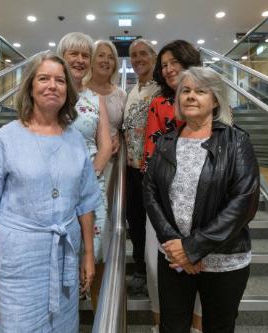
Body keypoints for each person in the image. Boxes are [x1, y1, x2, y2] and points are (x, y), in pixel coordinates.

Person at [0, 53, 102, 332]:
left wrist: (88, 256)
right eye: (44, 78)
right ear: (30, 87)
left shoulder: (76, 141)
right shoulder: (4, 140)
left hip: (64, 265)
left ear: (68, 89)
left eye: (59, 80)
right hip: (17, 269)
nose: (52, 85)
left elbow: (86, 202)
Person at [143, 67, 260, 333]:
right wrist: (177, 248)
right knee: (172, 327)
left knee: (219, 327)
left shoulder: (237, 141)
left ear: (215, 100)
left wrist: (193, 248)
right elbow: (150, 193)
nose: (191, 96)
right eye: (185, 91)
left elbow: (244, 203)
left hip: (223, 261)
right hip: (172, 257)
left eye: (200, 91)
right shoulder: (165, 141)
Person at [142, 40, 203, 333]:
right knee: (157, 265)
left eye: (173, 62)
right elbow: (150, 158)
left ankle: (198, 326)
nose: (167, 70)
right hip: (165, 202)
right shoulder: (158, 104)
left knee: (205, 265)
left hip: (203, 198)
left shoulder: (210, 97)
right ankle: (162, 323)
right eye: (163, 65)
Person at [57, 32, 113, 302]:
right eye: (73, 54)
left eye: (84, 55)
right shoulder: (52, 92)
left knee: (96, 252)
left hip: (92, 182)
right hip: (56, 183)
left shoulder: (95, 98)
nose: (80, 60)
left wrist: (88, 178)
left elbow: (104, 145)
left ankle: (98, 315)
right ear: (62, 57)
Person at [123, 38, 159, 295]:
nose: (137, 59)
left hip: (156, 170)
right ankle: (139, 269)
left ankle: (157, 272)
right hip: (132, 169)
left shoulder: (162, 88)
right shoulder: (132, 91)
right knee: (135, 221)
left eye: (143, 53)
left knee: (154, 222)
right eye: (133, 55)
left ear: (154, 56)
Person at [85, 39, 127, 206]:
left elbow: (127, 126)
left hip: (111, 161)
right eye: (100, 55)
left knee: (107, 207)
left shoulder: (121, 95)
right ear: (92, 60)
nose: (106, 61)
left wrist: (119, 134)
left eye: (110, 57)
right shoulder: (79, 90)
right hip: (84, 157)